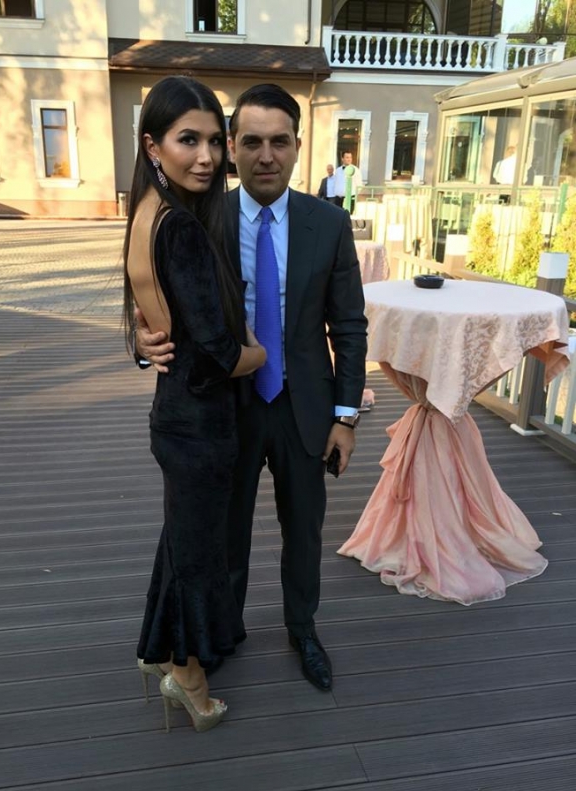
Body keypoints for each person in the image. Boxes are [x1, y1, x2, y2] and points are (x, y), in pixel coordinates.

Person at [136, 83, 367, 692]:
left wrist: (345, 418)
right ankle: (223, 630)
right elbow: (161, 305)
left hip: (303, 407)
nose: (267, 156)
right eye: (252, 142)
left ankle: (303, 629)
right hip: (225, 409)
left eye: (280, 142)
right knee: (225, 533)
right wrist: (142, 342)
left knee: (304, 531)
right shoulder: (200, 217)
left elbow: (348, 326)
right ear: (233, 146)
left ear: (297, 147)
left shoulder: (329, 224)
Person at [125, 76, 266, 732]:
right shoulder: (180, 226)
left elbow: (157, 320)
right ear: (153, 145)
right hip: (202, 421)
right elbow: (217, 351)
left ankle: (157, 650)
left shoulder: (146, 210)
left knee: (180, 545)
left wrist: (145, 343)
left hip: (174, 414)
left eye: (215, 140)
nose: (207, 157)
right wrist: (258, 354)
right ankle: (188, 679)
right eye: (189, 140)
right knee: (200, 554)